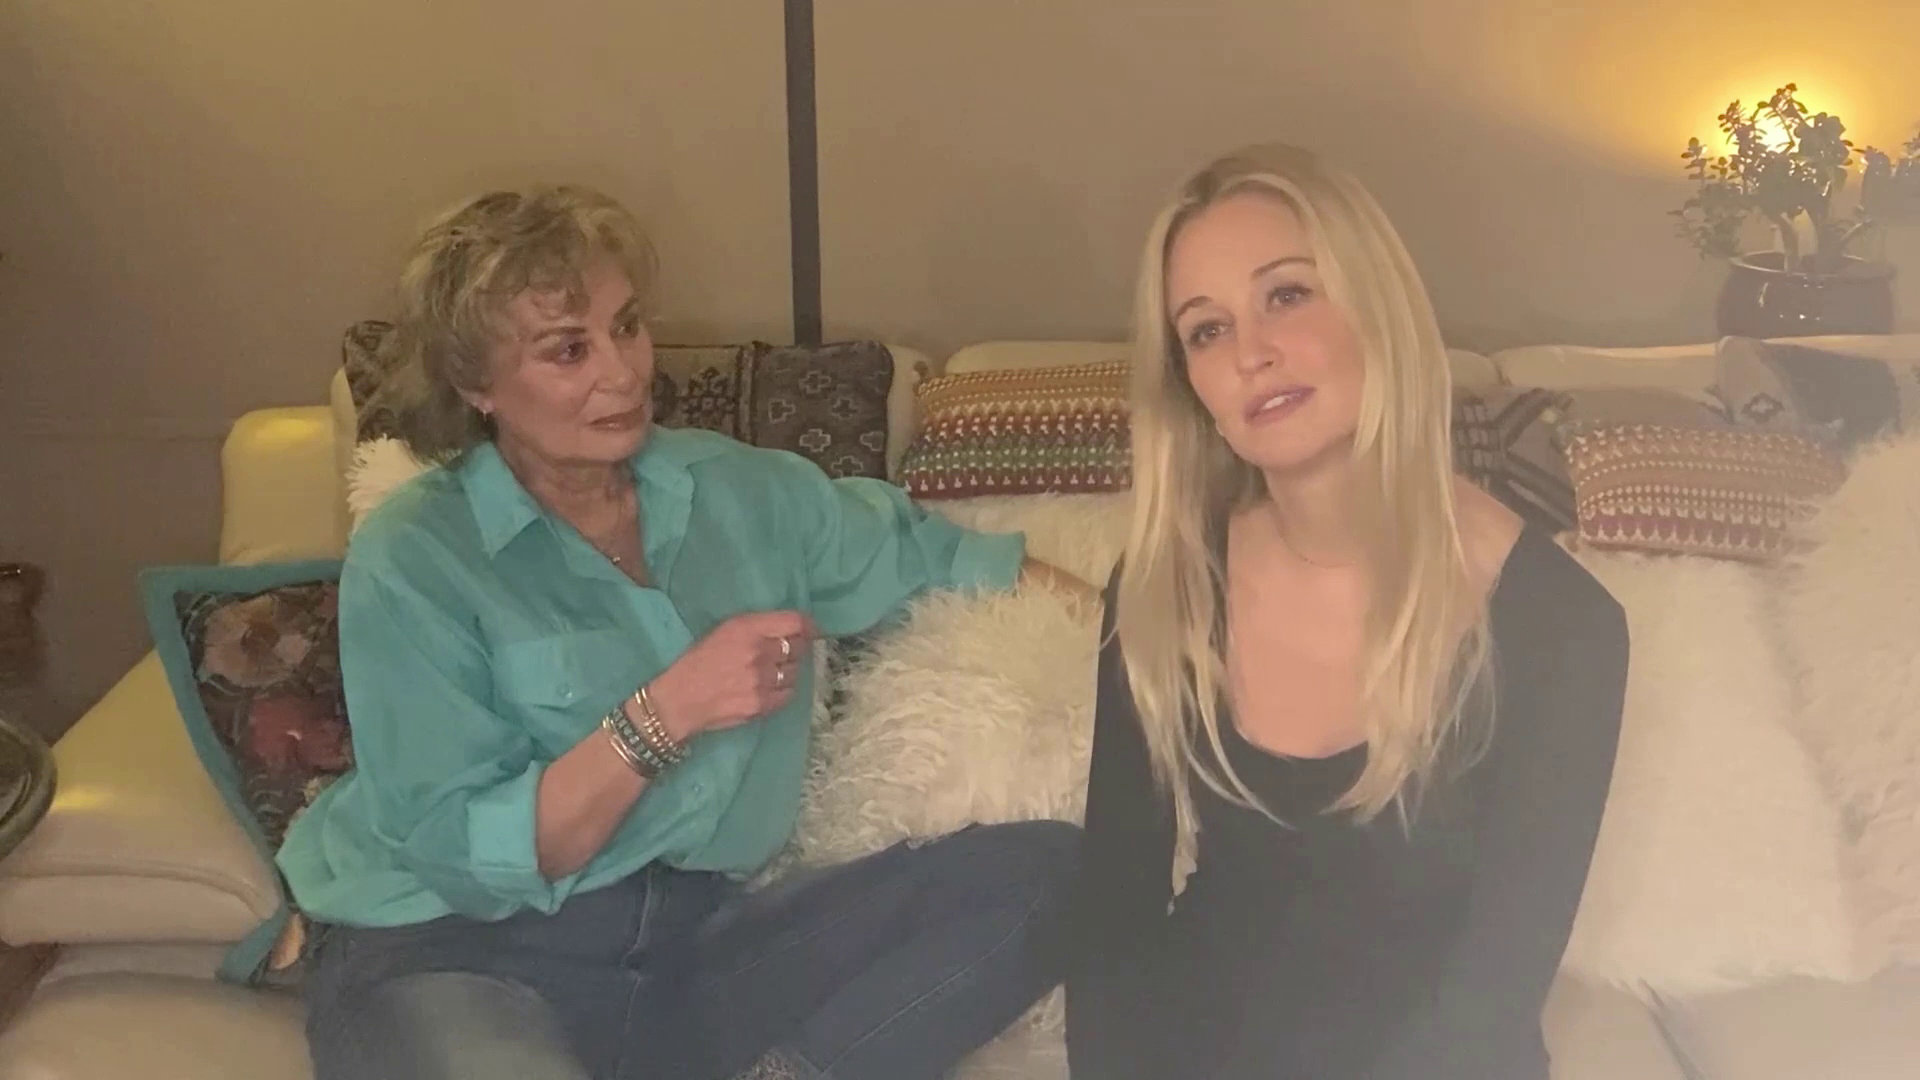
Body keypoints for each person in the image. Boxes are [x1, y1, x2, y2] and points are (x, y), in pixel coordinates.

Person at [277, 184, 1091, 1080]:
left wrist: (1179, 651)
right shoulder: (416, 556)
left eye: (626, 327)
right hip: (458, 949)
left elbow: (955, 562)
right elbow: (467, 861)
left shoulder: (747, 494)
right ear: (477, 386)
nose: (624, 372)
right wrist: (664, 713)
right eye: (569, 350)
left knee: (1053, 874)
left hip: (689, 953)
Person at [1061, 143, 1630, 1079]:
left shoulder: (1563, 625)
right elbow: (1114, 916)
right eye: (1206, 330)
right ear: (1191, 386)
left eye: (1286, 294)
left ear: (1377, 304)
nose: (1251, 353)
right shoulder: (1165, 588)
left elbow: (1491, 996)